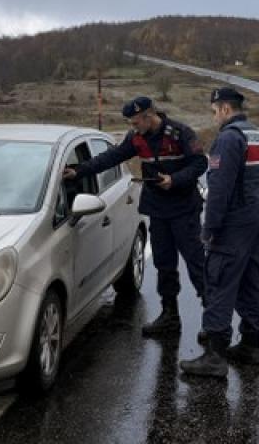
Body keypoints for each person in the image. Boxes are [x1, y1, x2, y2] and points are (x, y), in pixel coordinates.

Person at [64, 96, 208, 336]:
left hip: (184, 210)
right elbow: (111, 157)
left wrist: (174, 180)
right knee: (164, 265)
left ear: (149, 116)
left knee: (196, 264)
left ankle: (213, 321)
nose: (133, 127)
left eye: (135, 122)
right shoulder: (136, 138)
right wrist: (78, 171)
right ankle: (170, 317)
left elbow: (200, 163)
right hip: (158, 210)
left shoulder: (180, 133)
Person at [180, 86, 259, 378]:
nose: (215, 117)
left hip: (232, 225)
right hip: (255, 219)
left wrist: (209, 230)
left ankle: (215, 356)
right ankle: (250, 346)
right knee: (251, 280)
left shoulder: (229, 139)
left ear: (225, 109)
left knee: (219, 282)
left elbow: (219, 190)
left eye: (215, 111)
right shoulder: (258, 136)